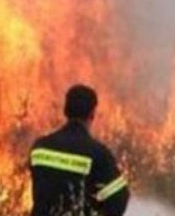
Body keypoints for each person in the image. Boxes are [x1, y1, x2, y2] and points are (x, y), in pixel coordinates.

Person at [29, 84, 130, 216]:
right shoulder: (97, 153)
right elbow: (120, 198)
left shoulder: (39, 148)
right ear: (92, 114)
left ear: (65, 110)